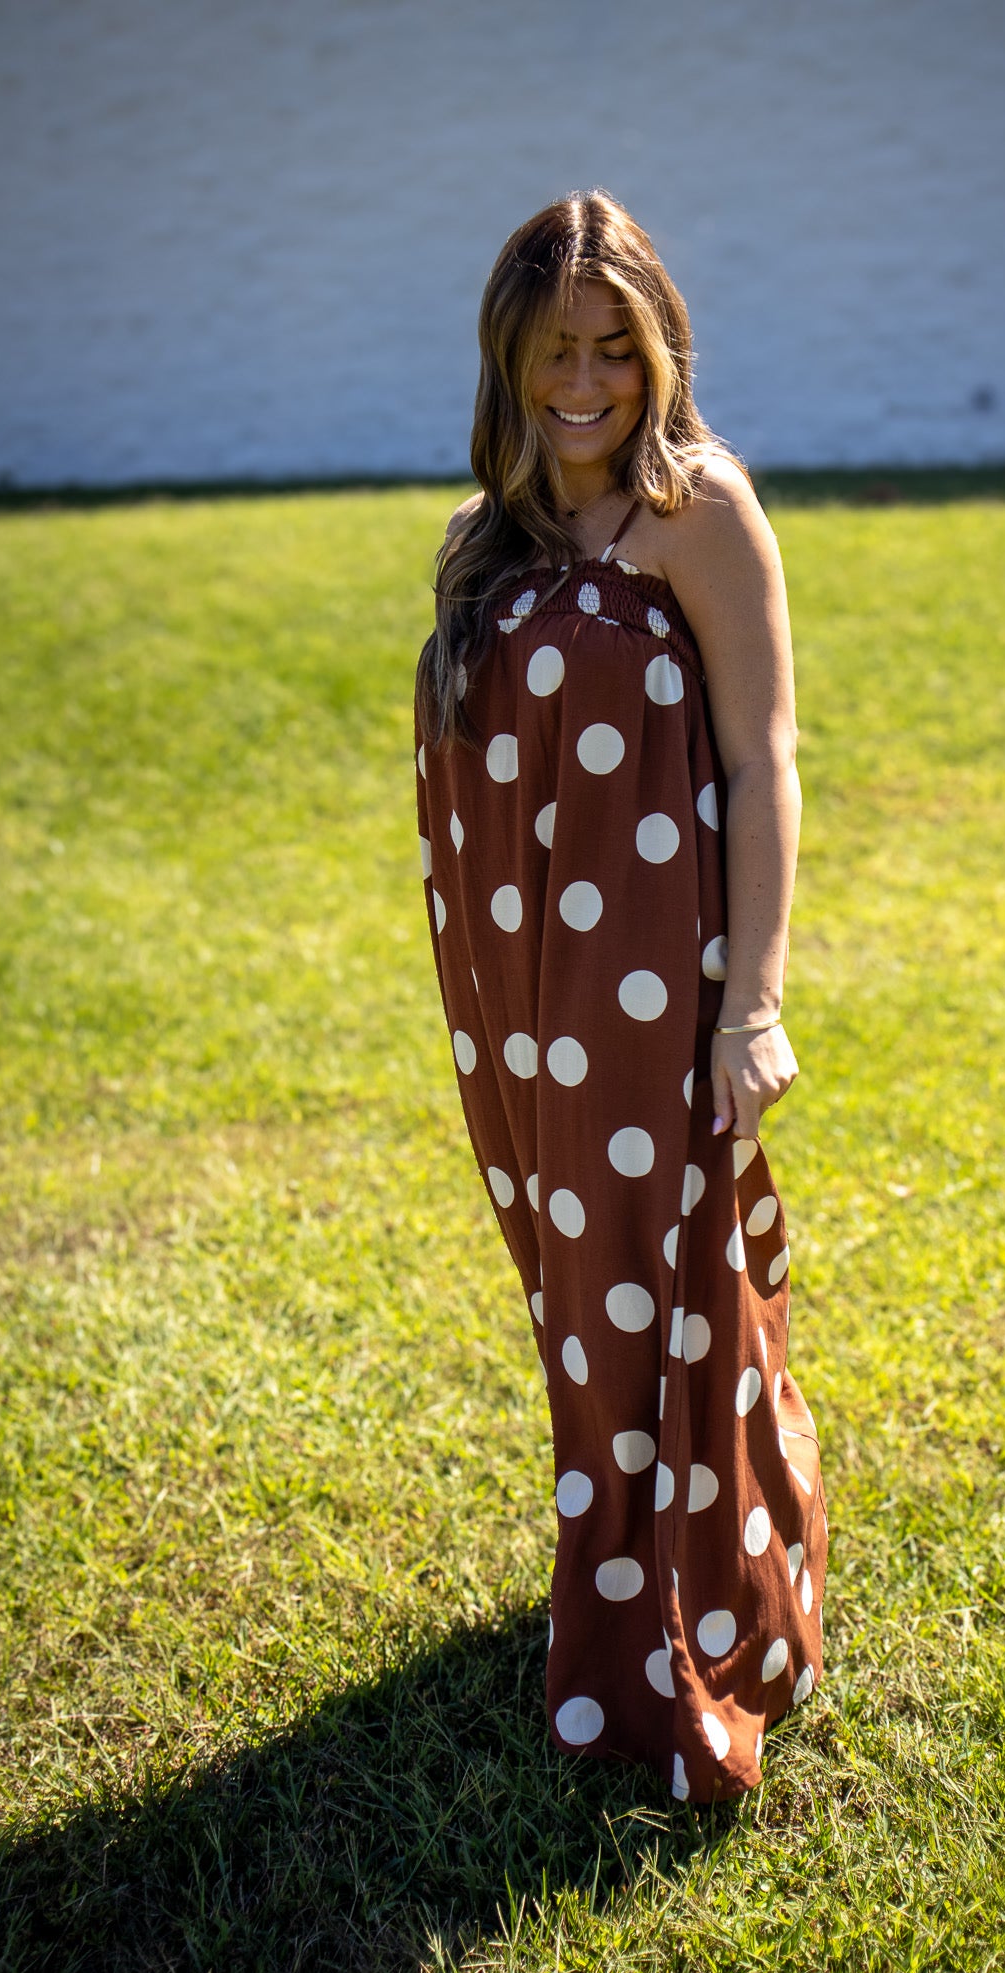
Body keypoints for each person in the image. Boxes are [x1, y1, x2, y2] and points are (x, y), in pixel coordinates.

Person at [413, 190, 826, 1803]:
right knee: (581, 1305)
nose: (583, 384)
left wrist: (753, 1003)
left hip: (661, 989)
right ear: (505, 362)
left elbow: (758, 756)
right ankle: (638, 1563)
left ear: (658, 354)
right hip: (513, 994)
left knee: (666, 1291)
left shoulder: (696, 508)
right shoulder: (480, 540)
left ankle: (703, 1616)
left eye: (612, 350)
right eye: (550, 354)